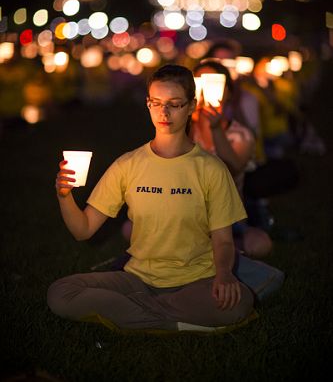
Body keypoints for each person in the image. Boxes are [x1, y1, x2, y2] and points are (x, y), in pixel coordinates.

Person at [47, 64, 254, 332]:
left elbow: (224, 240)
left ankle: (135, 314)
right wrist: (64, 196)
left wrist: (224, 276)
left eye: (175, 104)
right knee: (60, 292)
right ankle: (169, 319)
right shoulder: (128, 164)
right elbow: (83, 229)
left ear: (191, 106)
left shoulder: (211, 168)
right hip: (138, 279)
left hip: (197, 280)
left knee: (240, 301)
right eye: (156, 103)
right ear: (147, 104)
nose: (164, 112)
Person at [191, 58, 273, 259]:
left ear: (227, 91)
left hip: (226, 217)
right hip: (188, 211)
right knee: (129, 228)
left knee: (259, 244)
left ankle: (211, 249)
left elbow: (232, 168)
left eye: (212, 82)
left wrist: (216, 128)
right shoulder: (183, 130)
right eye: (198, 82)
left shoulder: (241, 134)